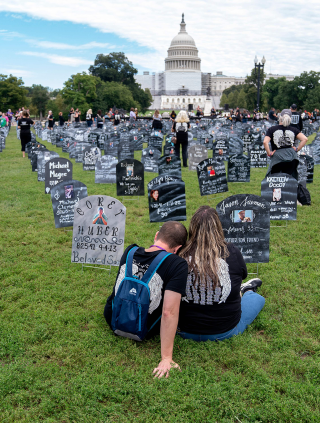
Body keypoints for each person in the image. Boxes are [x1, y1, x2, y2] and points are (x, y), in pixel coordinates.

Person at [103, 221, 189, 378]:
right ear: (177, 249)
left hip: (112, 317)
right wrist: (166, 358)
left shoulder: (130, 250)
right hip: (145, 327)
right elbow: (169, 312)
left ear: (156, 236)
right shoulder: (177, 264)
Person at [177, 206, 264, 342]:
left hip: (184, 330)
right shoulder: (232, 251)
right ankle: (248, 290)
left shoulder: (180, 253)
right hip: (225, 331)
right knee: (257, 299)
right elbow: (242, 275)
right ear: (218, 226)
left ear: (192, 228)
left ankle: (244, 290)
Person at [263, 113, 308, 179]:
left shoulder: (272, 129)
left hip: (277, 157)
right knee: (289, 178)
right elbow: (305, 139)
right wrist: (297, 149)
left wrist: (269, 153)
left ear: (279, 120)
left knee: (275, 178)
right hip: (291, 156)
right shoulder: (293, 129)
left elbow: (265, 142)